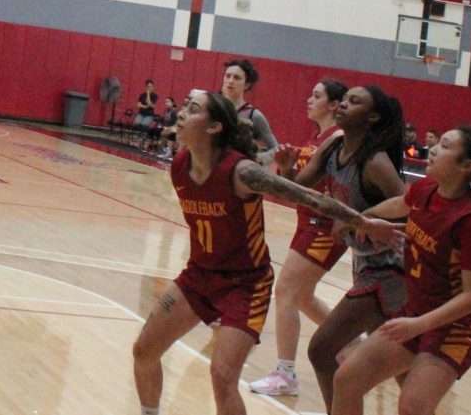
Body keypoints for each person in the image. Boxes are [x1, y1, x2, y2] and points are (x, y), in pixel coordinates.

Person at [131, 90, 400, 415]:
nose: (182, 112)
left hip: (245, 285)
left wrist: (361, 220)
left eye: (193, 108)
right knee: (144, 350)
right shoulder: (179, 166)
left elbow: (309, 197)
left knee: (222, 376)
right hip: (198, 276)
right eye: (184, 106)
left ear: (214, 127)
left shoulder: (242, 172)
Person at [331, 126, 471, 415]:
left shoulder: (470, 222)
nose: (432, 149)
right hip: (415, 311)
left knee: (413, 406)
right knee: (347, 380)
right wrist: (367, 218)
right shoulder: (426, 188)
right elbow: (402, 204)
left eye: (445, 146)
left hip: (456, 327)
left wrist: (420, 325)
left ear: (467, 166)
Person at [299, 85, 408, 412]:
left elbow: (410, 206)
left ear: (372, 117)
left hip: (392, 272)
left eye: (354, 102)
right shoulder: (333, 148)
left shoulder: (374, 161)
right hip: (366, 268)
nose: (344, 104)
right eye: (344, 100)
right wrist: (285, 168)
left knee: (321, 349)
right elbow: (299, 187)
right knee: (409, 379)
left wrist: (362, 219)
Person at [249, 79, 347, 396]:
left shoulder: (339, 139)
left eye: (316, 96)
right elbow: (297, 191)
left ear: (334, 105)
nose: (309, 99)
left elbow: (341, 189)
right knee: (302, 296)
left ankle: (286, 374)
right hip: (308, 220)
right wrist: (285, 168)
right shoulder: (317, 137)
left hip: (325, 226)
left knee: (287, 290)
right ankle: (350, 343)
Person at [220, 58, 278, 155]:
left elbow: (275, 148)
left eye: (236, 77)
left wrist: (258, 159)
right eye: (228, 76)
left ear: (247, 84)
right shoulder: (211, 106)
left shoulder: (254, 115)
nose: (230, 81)